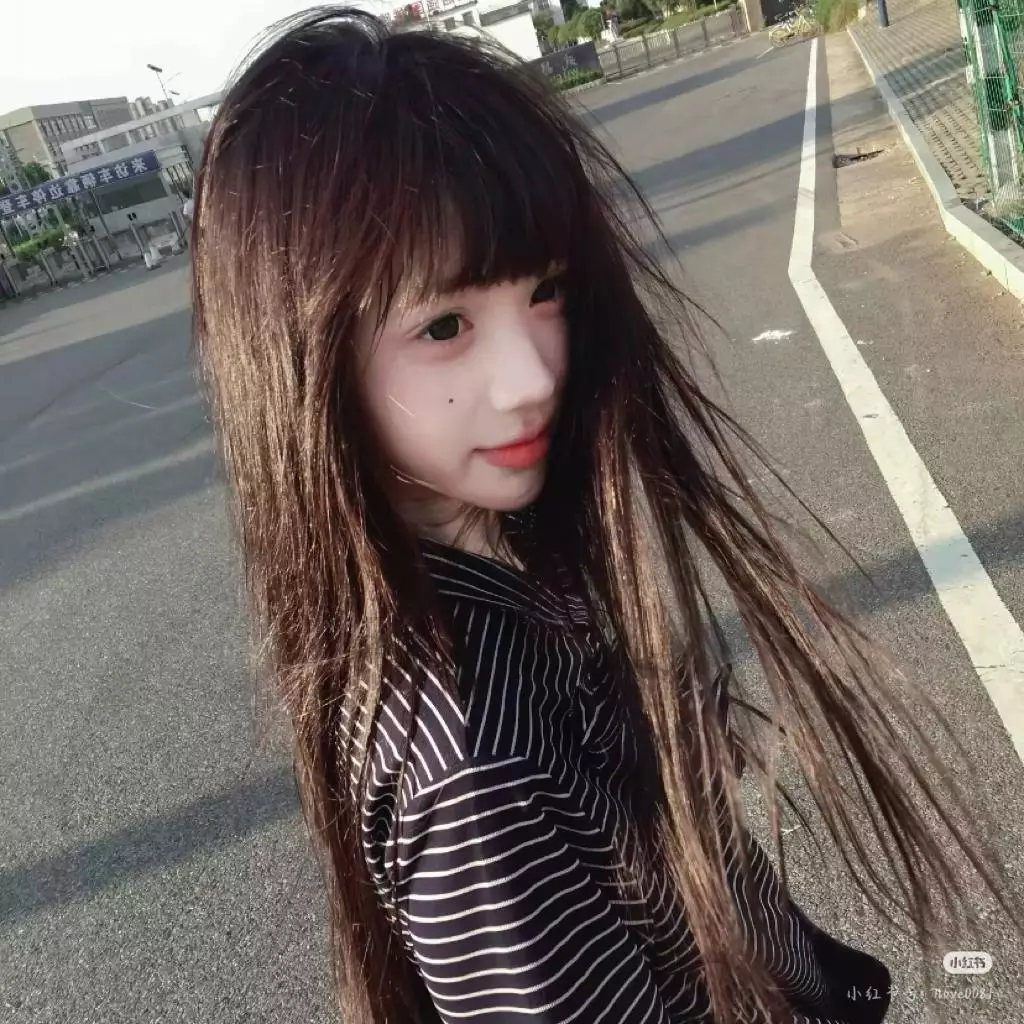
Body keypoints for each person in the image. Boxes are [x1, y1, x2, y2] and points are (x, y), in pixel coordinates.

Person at [190, 8, 1020, 1024]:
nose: (534, 373)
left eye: (545, 290)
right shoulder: (473, 760)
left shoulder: (497, 553)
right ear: (302, 360)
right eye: (445, 325)